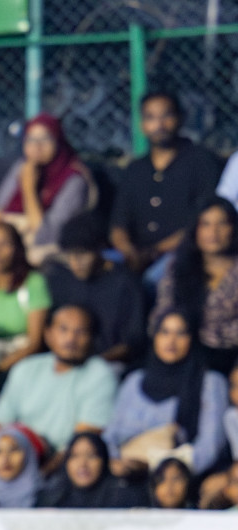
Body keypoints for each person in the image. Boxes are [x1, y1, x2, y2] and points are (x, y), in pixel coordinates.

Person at [109, 91, 222, 285]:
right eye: (150, 118)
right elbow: (118, 223)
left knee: (152, 280)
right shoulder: (135, 169)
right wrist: (128, 251)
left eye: (166, 116)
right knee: (101, 268)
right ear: (141, 125)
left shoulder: (202, 162)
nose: (159, 125)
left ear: (180, 119)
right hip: (137, 252)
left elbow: (204, 222)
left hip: (182, 252)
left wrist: (157, 250)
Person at [0, 304, 117, 458]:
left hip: (64, 464)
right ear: (48, 334)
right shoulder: (26, 368)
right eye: (63, 329)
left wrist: (42, 477)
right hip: (16, 459)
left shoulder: (100, 374)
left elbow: (82, 443)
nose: (71, 339)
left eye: (81, 332)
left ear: (92, 337)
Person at [103, 308, 228, 479]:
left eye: (181, 333)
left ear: (193, 338)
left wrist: (162, 473)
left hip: (177, 483)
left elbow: (210, 446)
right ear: (155, 336)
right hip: (125, 475)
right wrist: (115, 463)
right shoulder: (135, 380)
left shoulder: (210, 382)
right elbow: (111, 435)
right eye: (165, 332)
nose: (171, 340)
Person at [0, 114, 95, 264]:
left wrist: (29, 189)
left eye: (45, 139)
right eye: (30, 139)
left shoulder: (74, 180)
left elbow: (46, 236)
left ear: (58, 141)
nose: (36, 146)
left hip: (47, 250)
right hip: (11, 242)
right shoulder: (22, 167)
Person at [44, 213, 146, 367]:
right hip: (64, 362)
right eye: (69, 255)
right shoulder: (61, 279)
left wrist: (94, 365)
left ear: (100, 248)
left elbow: (133, 342)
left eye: (82, 254)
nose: (75, 263)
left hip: (111, 365)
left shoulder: (127, 284)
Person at [149, 199, 238, 375]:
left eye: (222, 223)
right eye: (205, 224)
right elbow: (162, 313)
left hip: (228, 360)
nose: (213, 232)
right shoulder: (178, 265)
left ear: (233, 228)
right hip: (181, 354)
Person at [0, 221, 51, 373]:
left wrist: (0, 370)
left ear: (17, 248)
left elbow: (34, 343)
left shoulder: (34, 282)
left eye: (4, 244)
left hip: (24, 359)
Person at [36, 431, 138, 509]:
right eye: (75, 456)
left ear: (104, 460)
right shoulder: (50, 499)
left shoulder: (124, 498)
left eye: (91, 455)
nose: (82, 464)